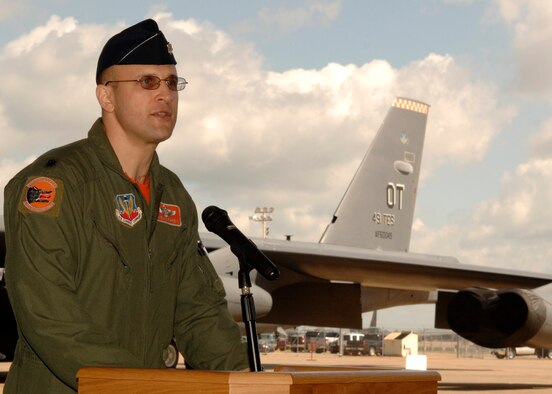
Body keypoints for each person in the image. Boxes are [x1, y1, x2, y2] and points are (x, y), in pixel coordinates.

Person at [3, 19, 249, 393]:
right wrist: (144, 386)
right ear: (106, 97)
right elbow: (51, 319)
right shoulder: (54, 186)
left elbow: (199, 311)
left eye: (172, 83)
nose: (165, 94)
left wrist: (244, 382)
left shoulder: (174, 197)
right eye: (147, 82)